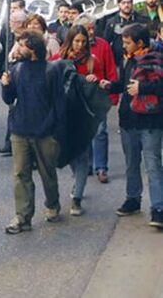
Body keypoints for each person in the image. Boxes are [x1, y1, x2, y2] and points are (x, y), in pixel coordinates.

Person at [99, 24, 163, 228]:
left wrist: (142, 87)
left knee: (153, 165)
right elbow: (125, 85)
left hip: (151, 122)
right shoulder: (128, 60)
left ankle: (158, 208)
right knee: (131, 163)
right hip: (129, 120)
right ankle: (133, 198)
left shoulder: (156, 60)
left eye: (127, 42)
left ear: (140, 43)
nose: (124, 46)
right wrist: (109, 85)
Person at [1, 30, 64, 234]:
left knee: (47, 173)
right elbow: (9, 99)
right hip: (20, 130)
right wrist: (5, 85)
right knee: (21, 174)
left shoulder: (51, 70)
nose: (18, 49)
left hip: (44, 131)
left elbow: (59, 103)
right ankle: (23, 216)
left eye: (22, 45)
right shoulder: (17, 69)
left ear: (34, 49)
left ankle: (52, 204)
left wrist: (55, 128)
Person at [51, 25, 102, 216]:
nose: (80, 45)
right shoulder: (57, 61)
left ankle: (77, 197)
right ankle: (77, 184)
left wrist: (94, 80)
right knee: (69, 155)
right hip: (63, 117)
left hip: (84, 116)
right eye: (76, 41)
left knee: (82, 157)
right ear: (70, 41)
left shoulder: (91, 62)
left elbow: (100, 87)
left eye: (83, 41)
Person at [75, 13, 118, 184]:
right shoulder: (73, 47)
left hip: (99, 95)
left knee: (100, 131)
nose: (91, 32)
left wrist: (113, 93)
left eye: (93, 28)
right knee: (84, 131)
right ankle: (87, 164)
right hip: (79, 96)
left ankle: (101, 167)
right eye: (87, 29)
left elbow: (111, 69)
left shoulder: (103, 45)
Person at [0, 9, 29, 157]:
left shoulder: (27, 39)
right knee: (12, 109)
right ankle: (10, 142)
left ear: (20, 23)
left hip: (23, 77)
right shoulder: (10, 36)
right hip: (12, 76)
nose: (10, 25)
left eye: (12, 22)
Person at [104, 0, 149, 67]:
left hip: (139, 60)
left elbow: (147, 41)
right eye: (123, 3)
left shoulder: (141, 20)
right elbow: (106, 43)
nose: (126, 5)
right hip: (119, 62)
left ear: (132, 3)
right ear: (119, 4)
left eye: (129, 2)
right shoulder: (111, 22)